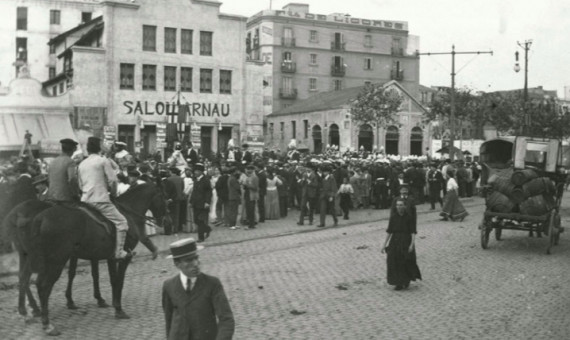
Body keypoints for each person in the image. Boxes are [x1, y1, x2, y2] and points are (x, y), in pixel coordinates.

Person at [162, 238, 234, 340]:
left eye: (196, 258)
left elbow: (226, 319)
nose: (195, 264)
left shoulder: (212, 284)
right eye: (189, 260)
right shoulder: (169, 286)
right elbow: (168, 319)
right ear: (177, 264)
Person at [77, 137, 129, 260]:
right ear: (99, 147)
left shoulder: (82, 164)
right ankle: (119, 252)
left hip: (84, 201)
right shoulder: (103, 161)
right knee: (122, 222)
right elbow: (113, 181)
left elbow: (80, 185)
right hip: (100, 200)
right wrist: (114, 193)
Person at [381, 198, 422, 290]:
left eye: (401, 205)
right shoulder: (393, 217)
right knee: (394, 261)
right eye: (397, 205)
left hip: (406, 241)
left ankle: (406, 280)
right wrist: (384, 244)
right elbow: (389, 231)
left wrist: (412, 244)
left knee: (405, 261)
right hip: (395, 241)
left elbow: (413, 232)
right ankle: (398, 282)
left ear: (404, 206)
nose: (399, 207)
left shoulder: (409, 217)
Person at [47, 138, 79, 203]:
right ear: (72, 150)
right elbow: (72, 179)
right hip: (65, 198)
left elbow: (48, 179)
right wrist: (76, 194)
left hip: (51, 196)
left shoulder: (53, 162)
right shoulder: (70, 161)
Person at [189, 163, 212, 242]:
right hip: (196, 203)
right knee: (196, 220)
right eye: (195, 171)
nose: (195, 172)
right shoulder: (196, 180)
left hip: (203, 204)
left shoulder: (206, 180)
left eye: (197, 171)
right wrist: (191, 201)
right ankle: (207, 229)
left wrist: (207, 202)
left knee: (200, 220)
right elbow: (194, 192)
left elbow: (209, 192)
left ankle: (201, 237)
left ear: (201, 172)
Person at [242, 165, 259, 229]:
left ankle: (251, 224)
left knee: (251, 210)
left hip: (252, 196)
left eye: (249, 169)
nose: (247, 171)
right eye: (247, 169)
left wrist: (247, 185)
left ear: (252, 170)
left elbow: (255, 187)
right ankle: (250, 223)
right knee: (248, 210)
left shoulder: (255, 177)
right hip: (247, 194)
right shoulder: (247, 177)